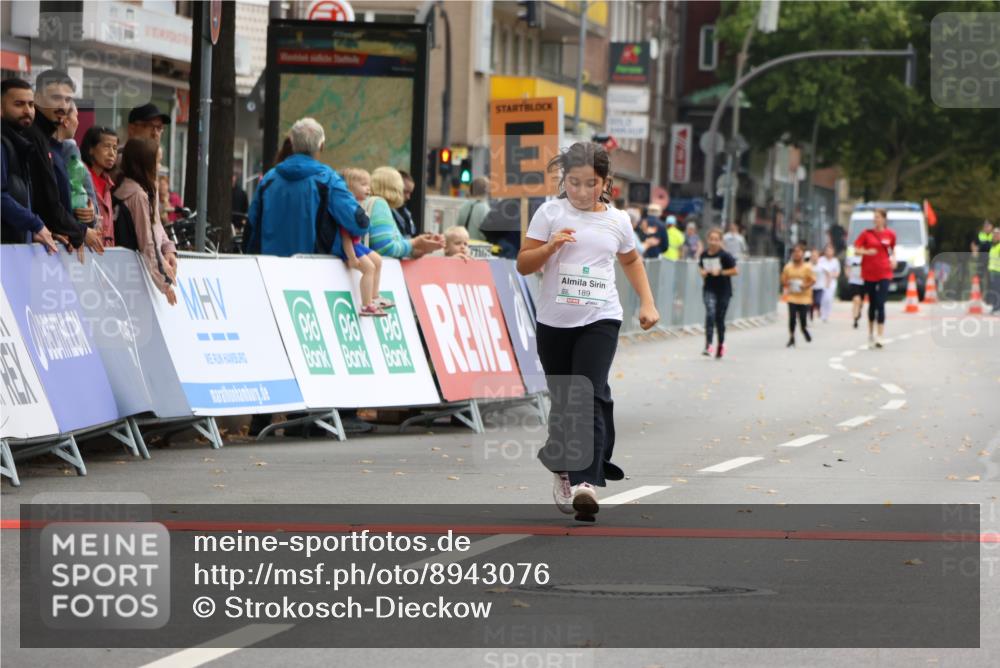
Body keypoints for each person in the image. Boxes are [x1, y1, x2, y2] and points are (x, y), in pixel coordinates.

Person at [516, 142, 659, 522]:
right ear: (564, 180)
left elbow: (630, 259)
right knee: (565, 399)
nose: (581, 192)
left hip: (601, 317)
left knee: (589, 392)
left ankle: (585, 483)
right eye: (574, 183)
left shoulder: (619, 221)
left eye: (590, 184)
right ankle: (562, 465)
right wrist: (549, 248)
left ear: (606, 182)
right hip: (554, 321)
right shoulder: (549, 212)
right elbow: (523, 264)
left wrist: (647, 302)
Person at [244, 118, 368, 258]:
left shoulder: (268, 180)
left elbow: (250, 229)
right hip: (316, 268)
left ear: (291, 143)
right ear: (321, 146)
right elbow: (360, 223)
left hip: (270, 271)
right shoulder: (329, 180)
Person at [25, 70, 102, 258]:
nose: (63, 106)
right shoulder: (34, 137)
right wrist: (81, 232)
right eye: (56, 98)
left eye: (67, 100)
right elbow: (46, 203)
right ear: (38, 98)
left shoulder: (49, 142)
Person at [114, 138, 178, 304]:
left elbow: (155, 227)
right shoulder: (139, 195)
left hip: (128, 269)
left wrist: (168, 247)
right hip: (135, 275)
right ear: (144, 163)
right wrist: (164, 283)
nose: (159, 167)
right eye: (156, 162)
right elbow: (147, 242)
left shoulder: (131, 188)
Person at [1, 78, 58, 252]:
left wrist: (38, 232)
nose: (27, 111)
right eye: (19, 104)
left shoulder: (19, 144)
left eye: (31, 104)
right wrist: (35, 224)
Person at [339, 167, 392, 317]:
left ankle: (374, 296)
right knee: (369, 268)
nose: (368, 188)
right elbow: (345, 236)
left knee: (378, 261)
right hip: (352, 246)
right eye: (363, 184)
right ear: (349, 186)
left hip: (357, 244)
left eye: (368, 184)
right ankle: (366, 304)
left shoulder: (357, 205)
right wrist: (352, 257)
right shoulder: (348, 207)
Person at [367, 165, 444, 259]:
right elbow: (385, 248)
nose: (407, 197)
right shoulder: (379, 205)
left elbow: (396, 249)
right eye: (402, 189)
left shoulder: (377, 204)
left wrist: (422, 248)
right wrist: (415, 242)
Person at [854, 207, 896, 349]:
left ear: (884, 219)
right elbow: (856, 249)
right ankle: (870, 333)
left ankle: (880, 335)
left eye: (878, 217)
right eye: (875, 217)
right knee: (872, 303)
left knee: (881, 303)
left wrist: (894, 259)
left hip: (884, 272)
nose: (876, 219)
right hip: (869, 272)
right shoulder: (866, 234)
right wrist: (866, 251)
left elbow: (892, 250)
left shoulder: (890, 234)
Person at [58, 101, 100, 229]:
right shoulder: (70, 151)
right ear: (65, 121)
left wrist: (92, 212)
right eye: (76, 116)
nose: (78, 122)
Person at [699, 227, 739, 358]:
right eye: (711, 239)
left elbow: (735, 270)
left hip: (724, 291)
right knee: (710, 314)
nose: (713, 242)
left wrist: (721, 272)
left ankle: (721, 344)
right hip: (709, 289)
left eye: (716, 239)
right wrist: (703, 273)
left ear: (720, 241)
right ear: (707, 240)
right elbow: (701, 268)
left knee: (719, 319)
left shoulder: (725, 256)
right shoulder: (704, 254)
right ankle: (708, 345)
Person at [80, 125, 118, 246]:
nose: (112, 153)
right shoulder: (81, 177)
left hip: (104, 257)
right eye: (106, 147)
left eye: (115, 148)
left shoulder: (108, 184)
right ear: (91, 149)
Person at [782, 243, 815, 347]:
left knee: (803, 319)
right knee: (792, 318)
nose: (796, 254)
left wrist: (805, 286)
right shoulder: (788, 267)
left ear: (803, 254)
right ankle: (791, 337)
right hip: (792, 296)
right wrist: (788, 284)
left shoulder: (807, 267)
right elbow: (783, 280)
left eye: (799, 252)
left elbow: (813, 280)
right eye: (794, 252)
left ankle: (804, 329)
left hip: (804, 297)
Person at [456, 176, 491, 242]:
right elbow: (486, 234)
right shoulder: (485, 209)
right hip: (479, 248)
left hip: (463, 245)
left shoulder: (463, 206)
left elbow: (458, 228)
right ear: (486, 191)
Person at [816, 244, 841, 323]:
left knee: (829, 298)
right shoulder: (821, 260)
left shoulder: (835, 261)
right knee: (822, 298)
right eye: (827, 250)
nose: (829, 252)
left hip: (832, 282)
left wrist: (831, 275)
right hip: (821, 281)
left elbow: (837, 273)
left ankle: (827, 314)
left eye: (830, 250)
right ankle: (822, 313)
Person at [844, 252, 865, 329]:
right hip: (853, 282)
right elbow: (847, 267)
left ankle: (859, 311)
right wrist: (847, 274)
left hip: (863, 282)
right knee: (856, 300)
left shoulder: (865, 258)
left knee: (861, 302)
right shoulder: (850, 259)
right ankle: (855, 320)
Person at [394, 169, 418, 238]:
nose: (408, 197)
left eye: (410, 193)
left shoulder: (405, 212)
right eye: (405, 192)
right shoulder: (386, 211)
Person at [809, 248, 824, 321]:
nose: (814, 257)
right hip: (810, 287)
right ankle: (811, 316)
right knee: (811, 303)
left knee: (817, 301)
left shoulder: (821, 265)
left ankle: (818, 309)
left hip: (819, 286)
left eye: (815, 256)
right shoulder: (808, 265)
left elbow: (828, 273)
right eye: (813, 256)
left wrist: (828, 282)